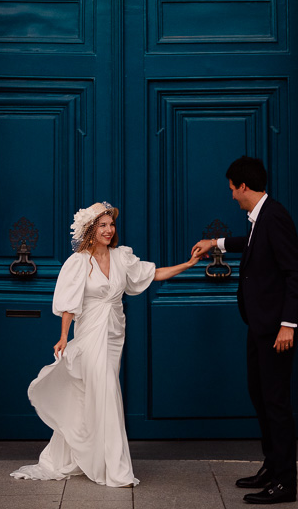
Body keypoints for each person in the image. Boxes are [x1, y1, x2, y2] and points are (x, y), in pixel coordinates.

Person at [12, 201, 199, 488]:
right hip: (89, 335)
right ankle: (116, 469)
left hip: (114, 334)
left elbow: (151, 274)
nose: (109, 229)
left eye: (111, 224)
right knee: (107, 392)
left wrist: (186, 265)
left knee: (96, 393)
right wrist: (63, 336)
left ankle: (89, 455)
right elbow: (69, 306)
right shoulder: (78, 262)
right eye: (102, 225)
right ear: (90, 230)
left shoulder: (122, 258)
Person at [192, 156, 298, 505]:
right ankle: (272, 466)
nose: (231, 196)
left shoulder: (276, 217)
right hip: (260, 326)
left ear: (244, 186)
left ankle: (285, 482)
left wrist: (288, 325)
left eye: (232, 189)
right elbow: (253, 244)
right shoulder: (261, 218)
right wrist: (217, 243)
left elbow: (293, 273)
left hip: (276, 330)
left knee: (276, 403)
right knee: (260, 396)